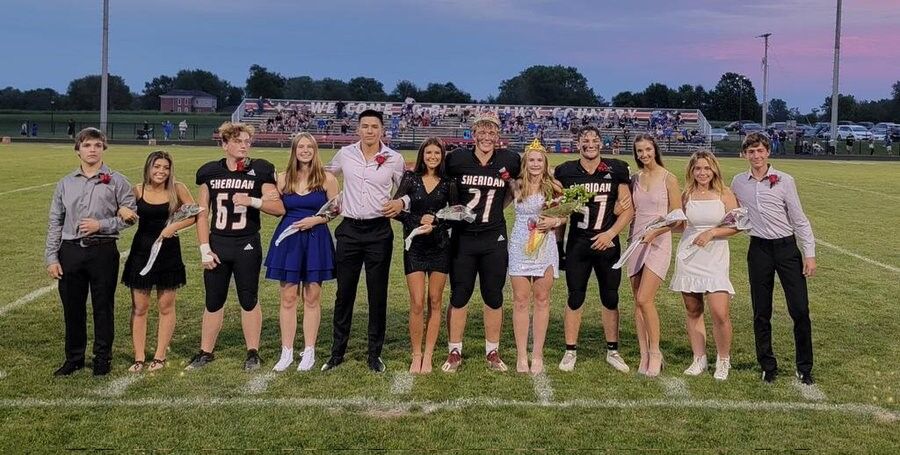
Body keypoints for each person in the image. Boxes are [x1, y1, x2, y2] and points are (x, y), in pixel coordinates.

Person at [187, 122, 285, 371]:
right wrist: (203, 249)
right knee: (213, 299)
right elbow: (201, 213)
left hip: (247, 243)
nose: (244, 146)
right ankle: (205, 351)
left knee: (248, 297)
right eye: (239, 141)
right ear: (225, 144)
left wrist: (252, 200)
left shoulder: (259, 169)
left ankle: (253, 352)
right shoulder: (210, 172)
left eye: (247, 141)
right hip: (218, 242)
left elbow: (278, 208)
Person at [45, 127, 137, 376]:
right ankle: (74, 358)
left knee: (103, 306)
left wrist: (102, 225)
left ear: (103, 148)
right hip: (71, 251)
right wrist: (52, 257)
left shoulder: (117, 180)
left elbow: (130, 217)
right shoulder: (65, 183)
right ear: (78, 150)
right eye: (87, 145)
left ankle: (102, 359)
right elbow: (55, 221)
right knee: (72, 307)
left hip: (103, 250)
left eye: (97, 145)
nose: (92, 150)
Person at [322, 110, 408, 373]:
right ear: (357, 129)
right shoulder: (345, 154)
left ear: (382, 130)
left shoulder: (394, 158)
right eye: (365, 126)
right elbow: (325, 175)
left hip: (378, 231)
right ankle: (337, 352)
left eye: (374, 127)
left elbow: (406, 188)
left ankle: (374, 354)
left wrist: (401, 202)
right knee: (344, 293)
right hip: (349, 230)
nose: (369, 131)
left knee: (377, 294)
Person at [731, 132, 817, 385]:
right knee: (761, 310)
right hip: (758, 250)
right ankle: (767, 365)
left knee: (799, 309)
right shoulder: (738, 182)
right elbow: (733, 212)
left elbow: (799, 219)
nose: (756, 156)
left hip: (786, 248)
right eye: (751, 152)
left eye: (760, 151)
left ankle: (805, 366)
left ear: (768, 152)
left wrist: (809, 254)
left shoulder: (785, 181)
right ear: (744, 155)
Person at [442, 112, 521, 373]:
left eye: (492, 132)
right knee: (460, 294)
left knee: (493, 296)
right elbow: (439, 185)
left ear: (498, 135)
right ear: (474, 134)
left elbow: (517, 188)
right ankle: (455, 350)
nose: (487, 137)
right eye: (482, 132)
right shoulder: (456, 159)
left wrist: (501, 207)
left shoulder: (509, 159)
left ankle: (492, 350)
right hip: (463, 237)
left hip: (493, 237)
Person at [554, 125, 634, 373]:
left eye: (594, 140)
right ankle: (570, 350)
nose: (590, 143)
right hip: (578, 244)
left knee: (610, 297)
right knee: (575, 296)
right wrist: (559, 245)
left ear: (601, 143)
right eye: (585, 140)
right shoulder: (566, 171)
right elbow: (559, 210)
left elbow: (628, 208)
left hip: (608, 244)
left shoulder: (616, 168)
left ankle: (612, 350)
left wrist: (610, 233)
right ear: (578, 144)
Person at [265, 133, 339, 372]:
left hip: (316, 239)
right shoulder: (283, 178)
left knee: (312, 297)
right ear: (294, 150)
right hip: (289, 241)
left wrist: (315, 220)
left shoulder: (327, 178)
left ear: (315, 150)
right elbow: (274, 206)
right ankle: (286, 351)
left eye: (309, 146)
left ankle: (309, 351)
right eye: (301, 146)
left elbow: (335, 210)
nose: (305, 150)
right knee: (287, 298)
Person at [120, 151, 196, 373]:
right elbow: (120, 209)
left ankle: (160, 355)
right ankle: (139, 356)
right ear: (148, 168)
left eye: (165, 167)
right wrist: (121, 209)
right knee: (140, 307)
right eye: (157, 167)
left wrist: (174, 227)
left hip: (169, 252)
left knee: (166, 306)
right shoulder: (137, 190)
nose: (161, 171)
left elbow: (194, 213)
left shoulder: (178, 188)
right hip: (141, 252)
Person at [669, 150, 741, 380]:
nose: (702, 172)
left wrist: (713, 232)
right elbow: (680, 225)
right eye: (698, 168)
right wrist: (659, 225)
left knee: (720, 313)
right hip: (689, 257)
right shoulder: (686, 194)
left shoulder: (725, 193)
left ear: (714, 170)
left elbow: (737, 225)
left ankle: (723, 360)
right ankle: (699, 358)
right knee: (693, 310)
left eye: (707, 168)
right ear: (691, 170)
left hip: (715, 257)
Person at [393, 138, 456, 373]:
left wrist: (437, 222)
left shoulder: (448, 182)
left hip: (439, 246)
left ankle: (428, 354)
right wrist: (417, 220)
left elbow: (456, 214)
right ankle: (416, 354)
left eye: (437, 153)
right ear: (422, 155)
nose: (432, 157)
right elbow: (395, 210)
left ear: (442, 156)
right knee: (417, 303)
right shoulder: (410, 179)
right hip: (415, 247)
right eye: (428, 152)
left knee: (435, 301)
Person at [625, 134, 681, 377]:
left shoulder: (669, 178)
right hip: (636, 240)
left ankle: (656, 352)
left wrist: (656, 232)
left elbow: (678, 218)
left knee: (645, 299)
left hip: (658, 241)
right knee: (637, 301)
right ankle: (644, 354)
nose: (644, 154)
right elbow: (629, 210)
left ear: (655, 150)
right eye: (639, 151)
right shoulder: (634, 179)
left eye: (647, 149)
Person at [508, 139, 565, 374]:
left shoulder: (554, 186)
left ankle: (538, 354)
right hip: (520, 244)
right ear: (525, 162)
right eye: (531, 159)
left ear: (545, 163)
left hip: (545, 245)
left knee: (542, 299)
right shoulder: (515, 185)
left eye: (539, 160)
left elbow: (564, 215)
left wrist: (556, 221)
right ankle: (522, 355)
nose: (534, 164)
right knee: (520, 300)